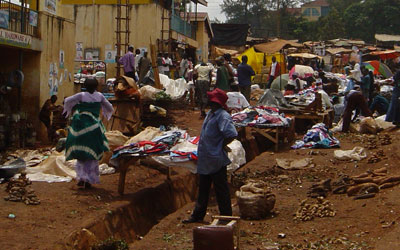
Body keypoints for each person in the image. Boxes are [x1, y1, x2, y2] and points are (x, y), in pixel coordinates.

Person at [182, 88, 238, 224]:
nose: (210, 103)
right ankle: (197, 216)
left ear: (218, 103)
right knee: (203, 189)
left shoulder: (222, 116)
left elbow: (231, 134)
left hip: (216, 158)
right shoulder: (211, 114)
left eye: (212, 101)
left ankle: (226, 217)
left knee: (221, 190)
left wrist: (220, 146)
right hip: (206, 157)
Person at [63, 78, 114, 188]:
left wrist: (72, 109)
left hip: (80, 127)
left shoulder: (81, 95)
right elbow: (110, 107)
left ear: (84, 86)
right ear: (96, 86)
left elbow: (67, 101)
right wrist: (104, 113)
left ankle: (81, 178)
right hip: (94, 127)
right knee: (92, 155)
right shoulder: (100, 96)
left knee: (81, 155)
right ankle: (90, 180)